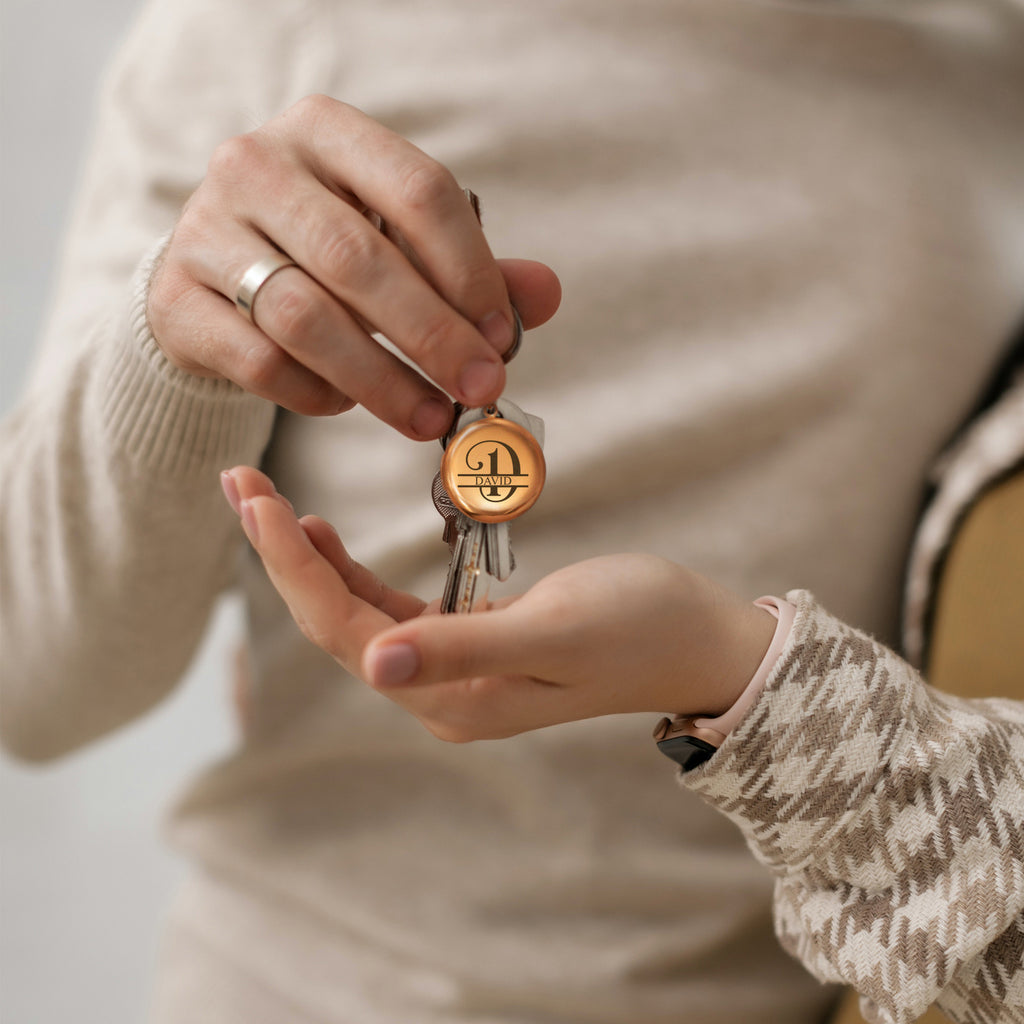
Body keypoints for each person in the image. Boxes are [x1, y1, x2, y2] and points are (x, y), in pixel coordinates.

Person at [1, 0, 1022, 1022]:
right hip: (303, 985)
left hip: (829, 979)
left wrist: (736, 667)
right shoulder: (251, 29)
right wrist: (173, 344)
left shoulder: (988, 59)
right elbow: (32, 684)